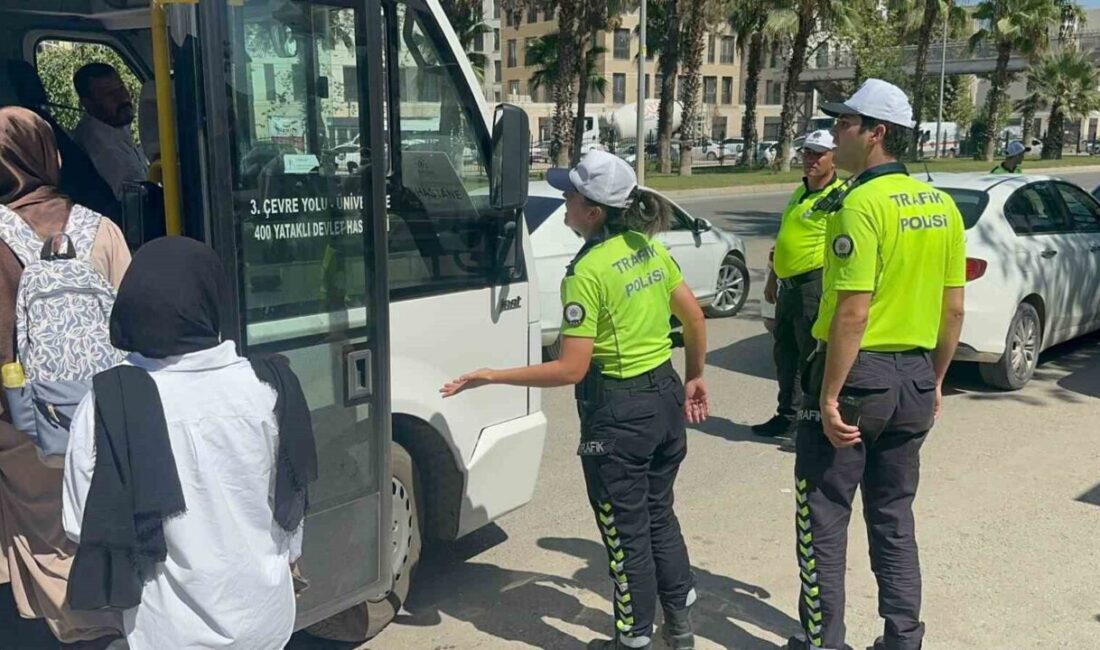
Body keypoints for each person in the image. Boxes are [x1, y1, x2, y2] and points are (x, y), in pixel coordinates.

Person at [441, 151, 709, 650]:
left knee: (625, 531)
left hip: (619, 414)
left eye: (571, 195)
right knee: (659, 514)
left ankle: (631, 640)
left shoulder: (586, 272)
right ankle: (681, 628)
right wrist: (695, 377)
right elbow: (693, 318)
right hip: (666, 399)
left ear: (594, 211)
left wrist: (492, 375)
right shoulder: (645, 246)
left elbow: (571, 368)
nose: (564, 202)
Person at [62, 236, 317, 650]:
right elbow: (293, 503)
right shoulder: (271, 384)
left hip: (167, 633)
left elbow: (79, 524)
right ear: (213, 298)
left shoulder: (110, 401)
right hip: (267, 621)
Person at [787, 79, 966, 650]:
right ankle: (903, 638)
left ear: (876, 133)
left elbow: (851, 313)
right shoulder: (942, 205)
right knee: (893, 516)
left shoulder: (858, 204)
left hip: (860, 376)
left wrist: (828, 395)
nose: (835, 132)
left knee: (822, 515)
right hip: (913, 377)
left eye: (845, 123)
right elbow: (954, 308)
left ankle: (824, 642)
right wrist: (935, 380)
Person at [0, 106, 130, 648]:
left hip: (18, 418)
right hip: (97, 412)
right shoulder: (101, 228)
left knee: (38, 528)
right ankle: (98, 623)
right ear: (50, 154)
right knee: (86, 518)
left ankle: (58, 622)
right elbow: (132, 323)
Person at [753, 130, 846, 440]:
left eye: (819, 153)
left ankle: (814, 420)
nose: (811, 160)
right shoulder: (800, 192)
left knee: (811, 358)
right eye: (807, 153)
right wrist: (772, 277)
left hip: (813, 287)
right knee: (786, 355)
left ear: (834, 157)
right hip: (788, 288)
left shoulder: (838, 197)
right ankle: (787, 414)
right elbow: (783, 242)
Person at [71, 63, 150, 201]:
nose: (123, 97)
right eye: (110, 94)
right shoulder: (100, 147)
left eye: (121, 88)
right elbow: (134, 201)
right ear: (88, 104)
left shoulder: (114, 124)